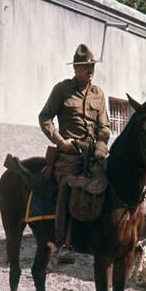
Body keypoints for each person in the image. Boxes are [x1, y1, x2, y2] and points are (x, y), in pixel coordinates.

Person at [38, 44, 111, 263]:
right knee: (66, 188)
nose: (90, 69)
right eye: (86, 66)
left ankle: (112, 235)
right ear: (76, 68)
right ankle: (63, 243)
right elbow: (45, 118)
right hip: (70, 154)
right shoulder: (62, 89)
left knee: (112, 183)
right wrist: (61, 142)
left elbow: (105, 127)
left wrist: (100, 146)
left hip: (94, 153)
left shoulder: (99, 94)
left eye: (92, 65)